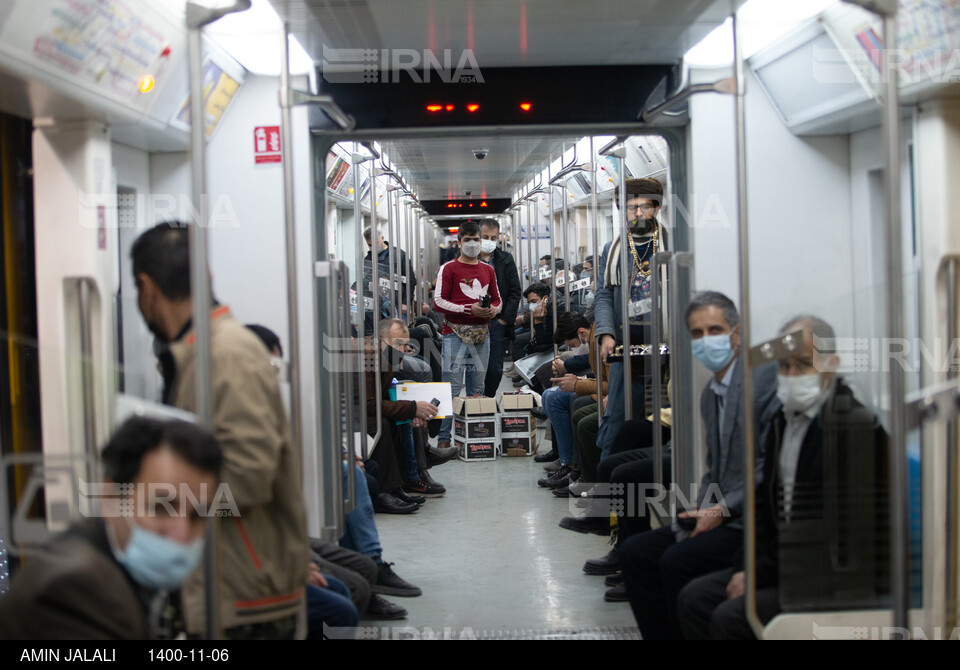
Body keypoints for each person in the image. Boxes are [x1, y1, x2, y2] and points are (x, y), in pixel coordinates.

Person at [130, 222, 309, 638]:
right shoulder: (200, 355)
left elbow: (246, 478)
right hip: (226, 583)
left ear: (147, 287)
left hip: (244, 594)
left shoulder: (225, 356)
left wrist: (147, 502)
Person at [677, 315, 888, 640]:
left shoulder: (853, 428)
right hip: (788, 563)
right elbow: (765, 509)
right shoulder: (783, 421)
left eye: (802, 366)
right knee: (694, 597)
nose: (791, 377)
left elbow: (838, 531)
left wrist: (759, 574)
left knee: (729, 617)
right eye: (784, 367)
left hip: (836, 577)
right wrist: (744, 568)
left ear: (831, 365)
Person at [619, 291, 780, 640]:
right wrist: (702, 506)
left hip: (749, 521)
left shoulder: (762, 384)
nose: (707, 340)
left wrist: (722, 509)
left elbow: (769, 467)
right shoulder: (712, 393)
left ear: (736, 334)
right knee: (635, 553)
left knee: (676, 560)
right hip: (722, 513)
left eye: (715, 330)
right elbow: (716, 469)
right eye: (697, 333)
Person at [0, 417, 222, 639]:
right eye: (161, 508)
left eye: (198, 515)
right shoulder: (77, 592)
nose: (182, 534)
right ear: (110, 498)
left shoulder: (109, 563)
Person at [594, 178, 668, 463]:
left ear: (656, 209)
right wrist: (606, 333)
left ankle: (650, 492)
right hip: (626, 346)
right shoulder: (612, 250)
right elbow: (603, 294)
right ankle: (608, 497)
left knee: (660, 421)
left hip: (665, 345)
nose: (637, 213)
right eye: (630, 208)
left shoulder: (674, 245)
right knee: (617, 421)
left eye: (644, 207)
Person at [433, 220, 502, 449]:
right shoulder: (449, 268)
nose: (472, 244)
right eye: (467, 240)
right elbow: (438, 302)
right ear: (459, 242)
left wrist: (494, 309)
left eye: (476, 239)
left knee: (477, 388)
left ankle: (475, 436)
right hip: (454, 333)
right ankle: (444, 438)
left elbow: (497, 298)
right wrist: (466, 309)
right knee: (451, 387)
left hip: (482, 334)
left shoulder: (488, 270)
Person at [479, 219, 523, 398]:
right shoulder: (467, 258)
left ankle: (487, 398)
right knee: (474, 367)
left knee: (495, 368)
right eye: (485, 237)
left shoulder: (505, 259)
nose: (489, 240)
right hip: (470, 322)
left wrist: (504, 319)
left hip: (496, 322)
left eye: (493, 237)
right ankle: (473, 400)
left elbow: (514, 291)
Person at [363, 226, 417, 322]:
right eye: (370, 245)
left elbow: (410, 280)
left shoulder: (399, 255)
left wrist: (406, 302)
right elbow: (366, 282)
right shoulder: (368, 259)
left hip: (397, 304)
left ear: (382, 238)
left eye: (376, 243)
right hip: (377, 306)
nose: (373, 247)